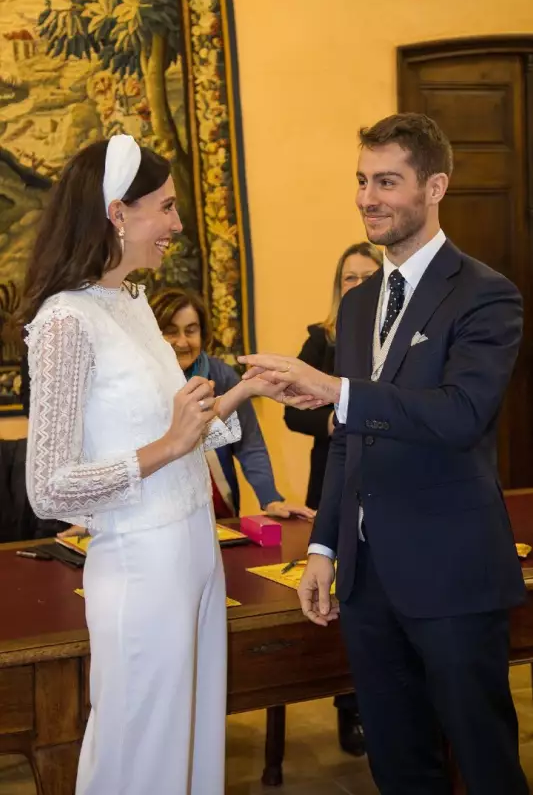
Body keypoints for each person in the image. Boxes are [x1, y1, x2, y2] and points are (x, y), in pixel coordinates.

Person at [239, 113, 529, 794]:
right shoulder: (361, 301)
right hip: (366, 585)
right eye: (362, 181)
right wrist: (323, 549)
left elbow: (460, 415)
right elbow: (348, 441)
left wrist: (334, 388)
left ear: (434, 186)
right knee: (397, 767)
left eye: (387, 182)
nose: (368, 197)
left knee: (485, 764)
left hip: (452, 576)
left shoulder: (486, 293)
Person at [22, 134, 286, 795]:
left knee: (189, 746)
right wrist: (169, 445)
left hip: (193, 553)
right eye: (165, 208)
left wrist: (243, 392)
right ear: (118, 212)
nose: (175, 223)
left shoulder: (135, 306)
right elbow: (48, 485)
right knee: (142, 754)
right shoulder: (65, 322)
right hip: (141, 569)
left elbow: (171, 430)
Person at [284, 242, 382, 757]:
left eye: (369, 276)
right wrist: (334, 419)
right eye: (350, 278)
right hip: (331, 480)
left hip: (381, 488)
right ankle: (350, 708)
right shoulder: (321, 339)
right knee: (339, 597)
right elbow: (290, 410)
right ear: (338, 284)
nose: (359, 285)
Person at [150, 287, 314, 522]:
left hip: (217, 512)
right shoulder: (139, 382)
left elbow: (249, 443)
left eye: (191, 330)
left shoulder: (222, 376)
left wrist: (270, 499)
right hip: (157, 510)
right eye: (171, 332)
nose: (182, 342)